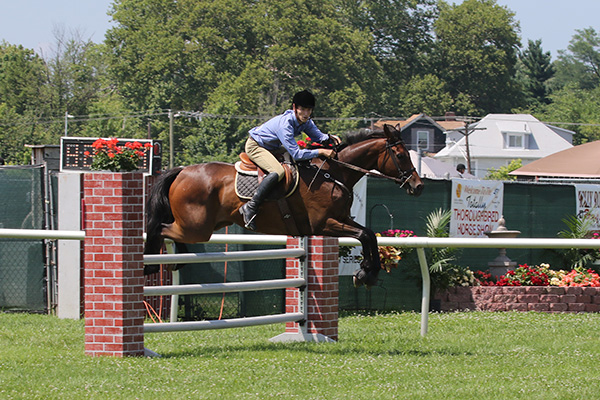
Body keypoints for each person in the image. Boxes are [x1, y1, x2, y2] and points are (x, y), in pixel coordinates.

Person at [239, 90, 340, 230]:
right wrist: (321, 151)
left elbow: (318, 136)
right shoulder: (285, 124)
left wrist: (330, 138)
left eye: (309, 110)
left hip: (273, 147)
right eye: (303, 109)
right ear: (294, 108)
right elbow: (297, 154)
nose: (306, 113)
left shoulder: (306, 121)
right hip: (256, 146)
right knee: (278, 171)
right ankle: (251, 206)